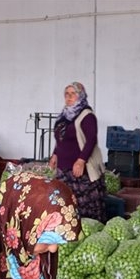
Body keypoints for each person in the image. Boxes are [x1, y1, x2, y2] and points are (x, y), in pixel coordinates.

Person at [48, 81, 107, 222]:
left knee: (85, 204)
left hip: (81, 170)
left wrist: (81, 161)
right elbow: (61, 138)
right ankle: (71, 229)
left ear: (80, 96)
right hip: (64, 168)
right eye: (66, 94)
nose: (68, 97)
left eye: (73, 94)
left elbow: (91, 140)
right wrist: (55, 154)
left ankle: (91, 229)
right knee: (67, 202)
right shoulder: (64, 116)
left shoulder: (87, 115)